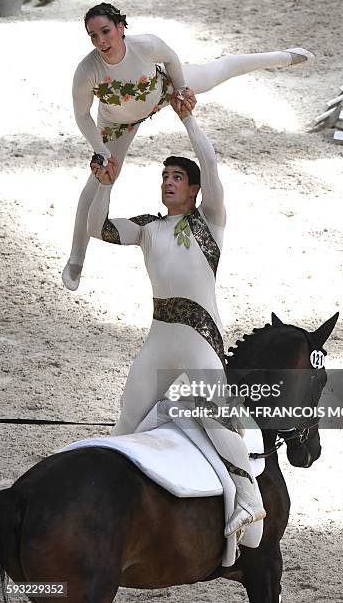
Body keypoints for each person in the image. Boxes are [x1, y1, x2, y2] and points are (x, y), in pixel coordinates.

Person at [86, 91, 265, 538]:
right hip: (159, 339)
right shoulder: (149, 227)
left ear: (194, 188)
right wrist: (104, 182)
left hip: (200, 337)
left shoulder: (210, 223)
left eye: (177, 176)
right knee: (127, 420)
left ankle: (250, 500)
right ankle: (113, 498)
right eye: (164, 175)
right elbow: (96, 228)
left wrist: (189, 122)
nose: (168, 181)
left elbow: (212, 164)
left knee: (219, 415)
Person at [62, 1, 314, 290]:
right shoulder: (87, 71)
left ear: (120, 28)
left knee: (217, 72)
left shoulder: (145, 45)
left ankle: (284, 56)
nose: (101, 41)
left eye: (105, 31)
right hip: (118, 123)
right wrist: (101, 150)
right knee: (95, 185)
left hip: (162, 90)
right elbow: (82, 115)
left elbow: (170, 58)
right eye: (93, 36)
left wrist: (180, 89)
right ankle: (76, 259)